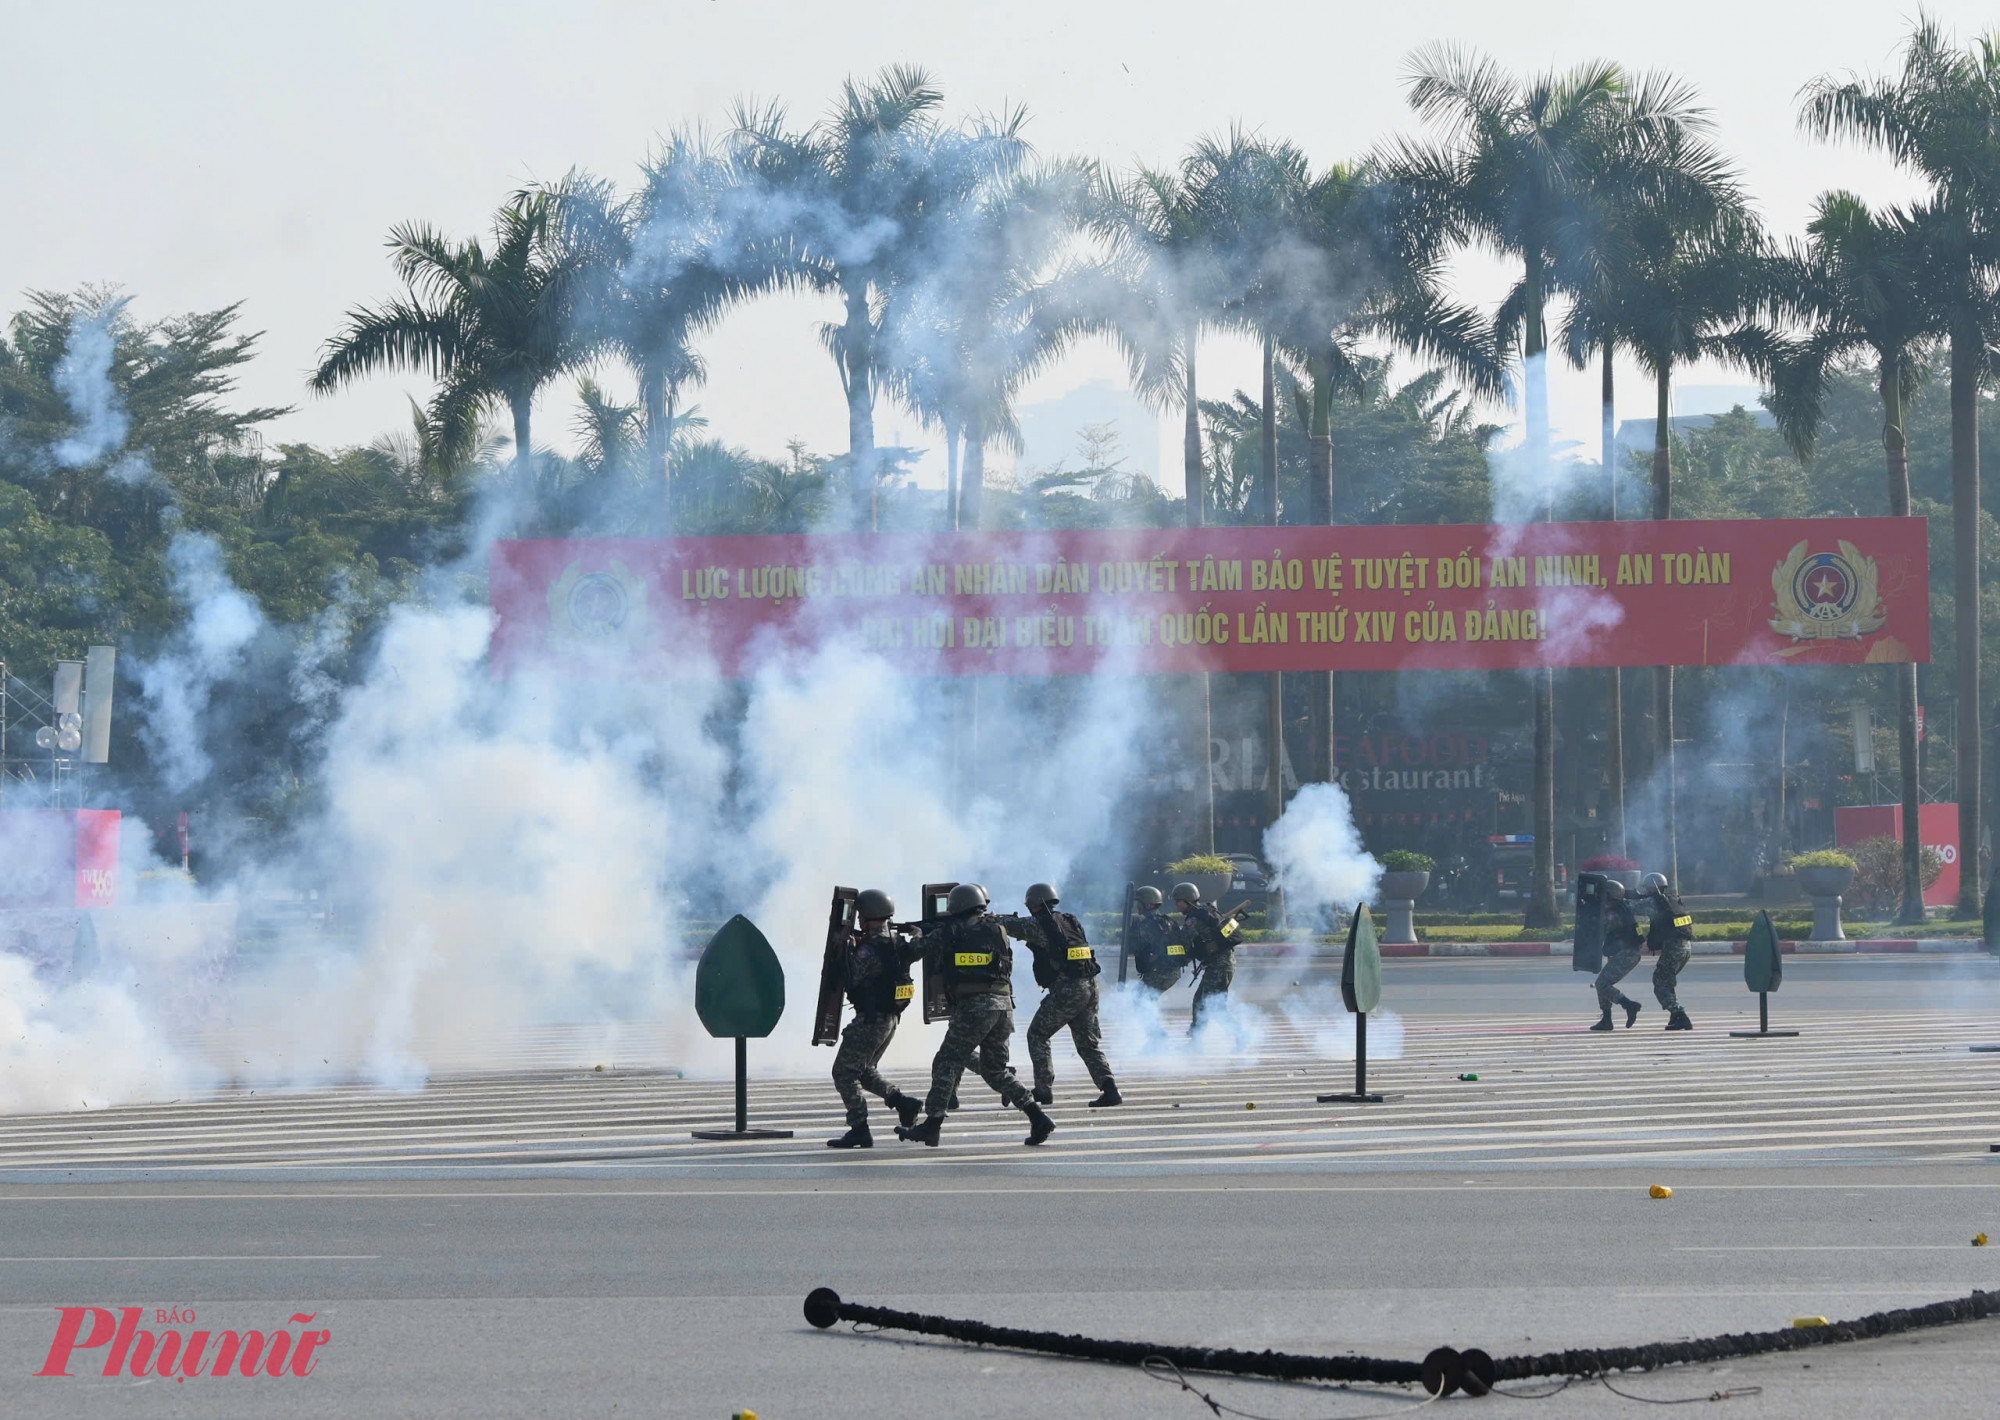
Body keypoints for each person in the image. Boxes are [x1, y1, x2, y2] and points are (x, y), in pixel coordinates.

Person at [896, 882, 1056, 1148]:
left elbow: (913, 953)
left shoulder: (950, 930)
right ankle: (1037, 1117)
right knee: (995, 1071)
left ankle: (932, 1125)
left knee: (947, 1060)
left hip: (974, 1007)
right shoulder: (997, 929)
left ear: (956, 907)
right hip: (1003, 1005)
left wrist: (915, 936)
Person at [827, 888, 926, 1149]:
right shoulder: (897, 942)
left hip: (871, 1020)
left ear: (867, 917)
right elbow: (917, 948)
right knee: (865, 1071)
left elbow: (851, 979)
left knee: (844, 1073)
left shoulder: (868, 949)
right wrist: (918, 933)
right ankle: (903, 1102)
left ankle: (859, 1128)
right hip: (889, 1019)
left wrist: (846, 951)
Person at [1014, 883, 1120, 1108]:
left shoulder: (1039, 924)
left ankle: (1043, 1089)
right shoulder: (1069, 921)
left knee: (1037, 1034)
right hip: (1090, 986)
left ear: (1034, 904)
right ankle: (1110, 1089)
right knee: (1087, 1044)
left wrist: (987, 919)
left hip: (1069, 989)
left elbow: (1013, 926)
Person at [1173, 882, 1233, 1033]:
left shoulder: (1192, 920)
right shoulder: (1209, 910)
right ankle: (1196, 1038)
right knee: (1204, 1003)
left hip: (1218, 966)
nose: (1177, 905)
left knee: (1209, 1005)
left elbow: (1184, 944)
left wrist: (1172, 958)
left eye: (1178, 901)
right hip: (1223, 963)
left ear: (1187, 900)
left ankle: (1240, 1034)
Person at [1640, 871, 1696, 1031]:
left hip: (1673, 948)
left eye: (1646, 888)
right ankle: (1674, 1016)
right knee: (1667, 980)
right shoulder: (1673, 901)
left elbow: (1630, 908)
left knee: (1660, 982)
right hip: (1685, 947)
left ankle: (1679, 1014)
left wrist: (1619, 896)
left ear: (1652, 887)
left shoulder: (1653, 902)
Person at [1590, 878, 1645, 1031]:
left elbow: (1602, 931)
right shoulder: (1621, 907)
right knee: (1602, 984)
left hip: (1627, 953)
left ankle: (1629, 1005)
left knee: (1602, 984)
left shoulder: (1614, 913)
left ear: (1610, 896)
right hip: (1626, 952)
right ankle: (1606, 1020)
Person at [1127, 886, 1187, 994]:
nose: (1137, 906)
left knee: (1140, 998)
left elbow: (1132, 948)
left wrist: (1129, 934)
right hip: (1173, 971)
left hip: (1159, 971)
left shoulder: (1146, 925)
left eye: (1139, 903)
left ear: (1148, 905)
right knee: (1142, 997)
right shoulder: (1169, 921)